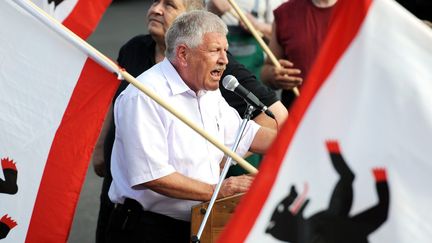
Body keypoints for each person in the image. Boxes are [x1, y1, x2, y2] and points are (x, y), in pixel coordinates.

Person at [93, 0, 287, 242]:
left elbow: (244, 134)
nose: (225, 60)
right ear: (183, 54)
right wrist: (217, 191)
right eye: (215, 50)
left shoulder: (209, 91)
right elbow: (152, 175)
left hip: (195, 222)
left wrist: (294, 143)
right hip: (145, 229)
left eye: (225, 50)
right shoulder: (143, 95)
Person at [260, 0, 338, 109]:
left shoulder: (361, 12)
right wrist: (274, 75)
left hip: (348, 113)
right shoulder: (285, 13)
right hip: (299, 115)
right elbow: (266, 71)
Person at [207, 0, 285, 78]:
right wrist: (213, 10)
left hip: (255, 67)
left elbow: (280, 33)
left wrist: (257, 26)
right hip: (220, 64)